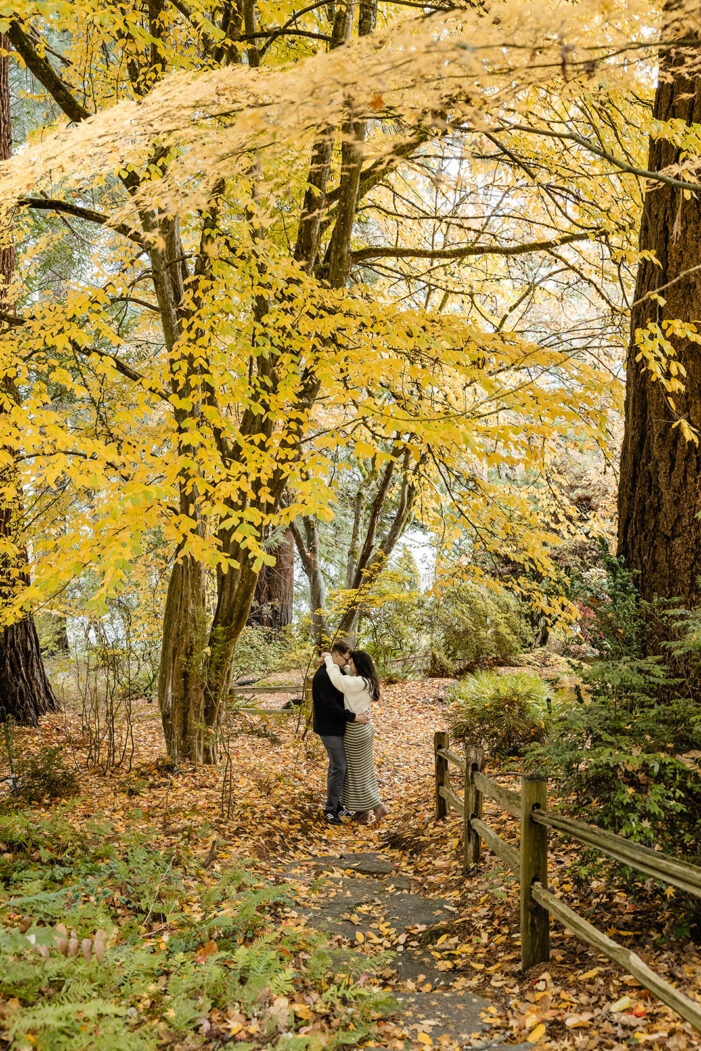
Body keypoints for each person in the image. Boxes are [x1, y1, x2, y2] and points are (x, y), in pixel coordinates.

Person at [322, 648, 387, 824]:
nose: (350, 665)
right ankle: (363, 811)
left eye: (352, 662)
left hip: (355, 730)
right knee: (362, 771)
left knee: (356, 774)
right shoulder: (368, 680)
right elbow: (347, 674)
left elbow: (338, 680)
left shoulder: (358, 682)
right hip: (364, 729)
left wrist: (329, 659)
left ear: (359, 665)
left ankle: (377, 806)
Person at [312, 640, 369, 825]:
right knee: (340, 766)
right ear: (336, 656)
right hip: (328, 727)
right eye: (346, 659)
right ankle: (330, 809)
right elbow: (330, 707)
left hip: (339, 726)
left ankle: (336, 805)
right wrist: (353, 717)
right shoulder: (323, 677)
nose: (347, 663)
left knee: (337, 766)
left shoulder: (338, 671)